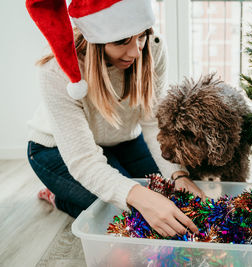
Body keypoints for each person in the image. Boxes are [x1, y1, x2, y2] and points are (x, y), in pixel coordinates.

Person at [25, 0, 205, 237]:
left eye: (141, 35)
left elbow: (152, 122)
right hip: (55, 151)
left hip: (123, 140)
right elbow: (84, 160)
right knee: (132, 216)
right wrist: (137, 197)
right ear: (95, 38)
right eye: (121, 41)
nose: (135, 51)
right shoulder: (55, 73)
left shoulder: (153, 48)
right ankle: (59, 196)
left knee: (170, 199)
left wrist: (178, 175)